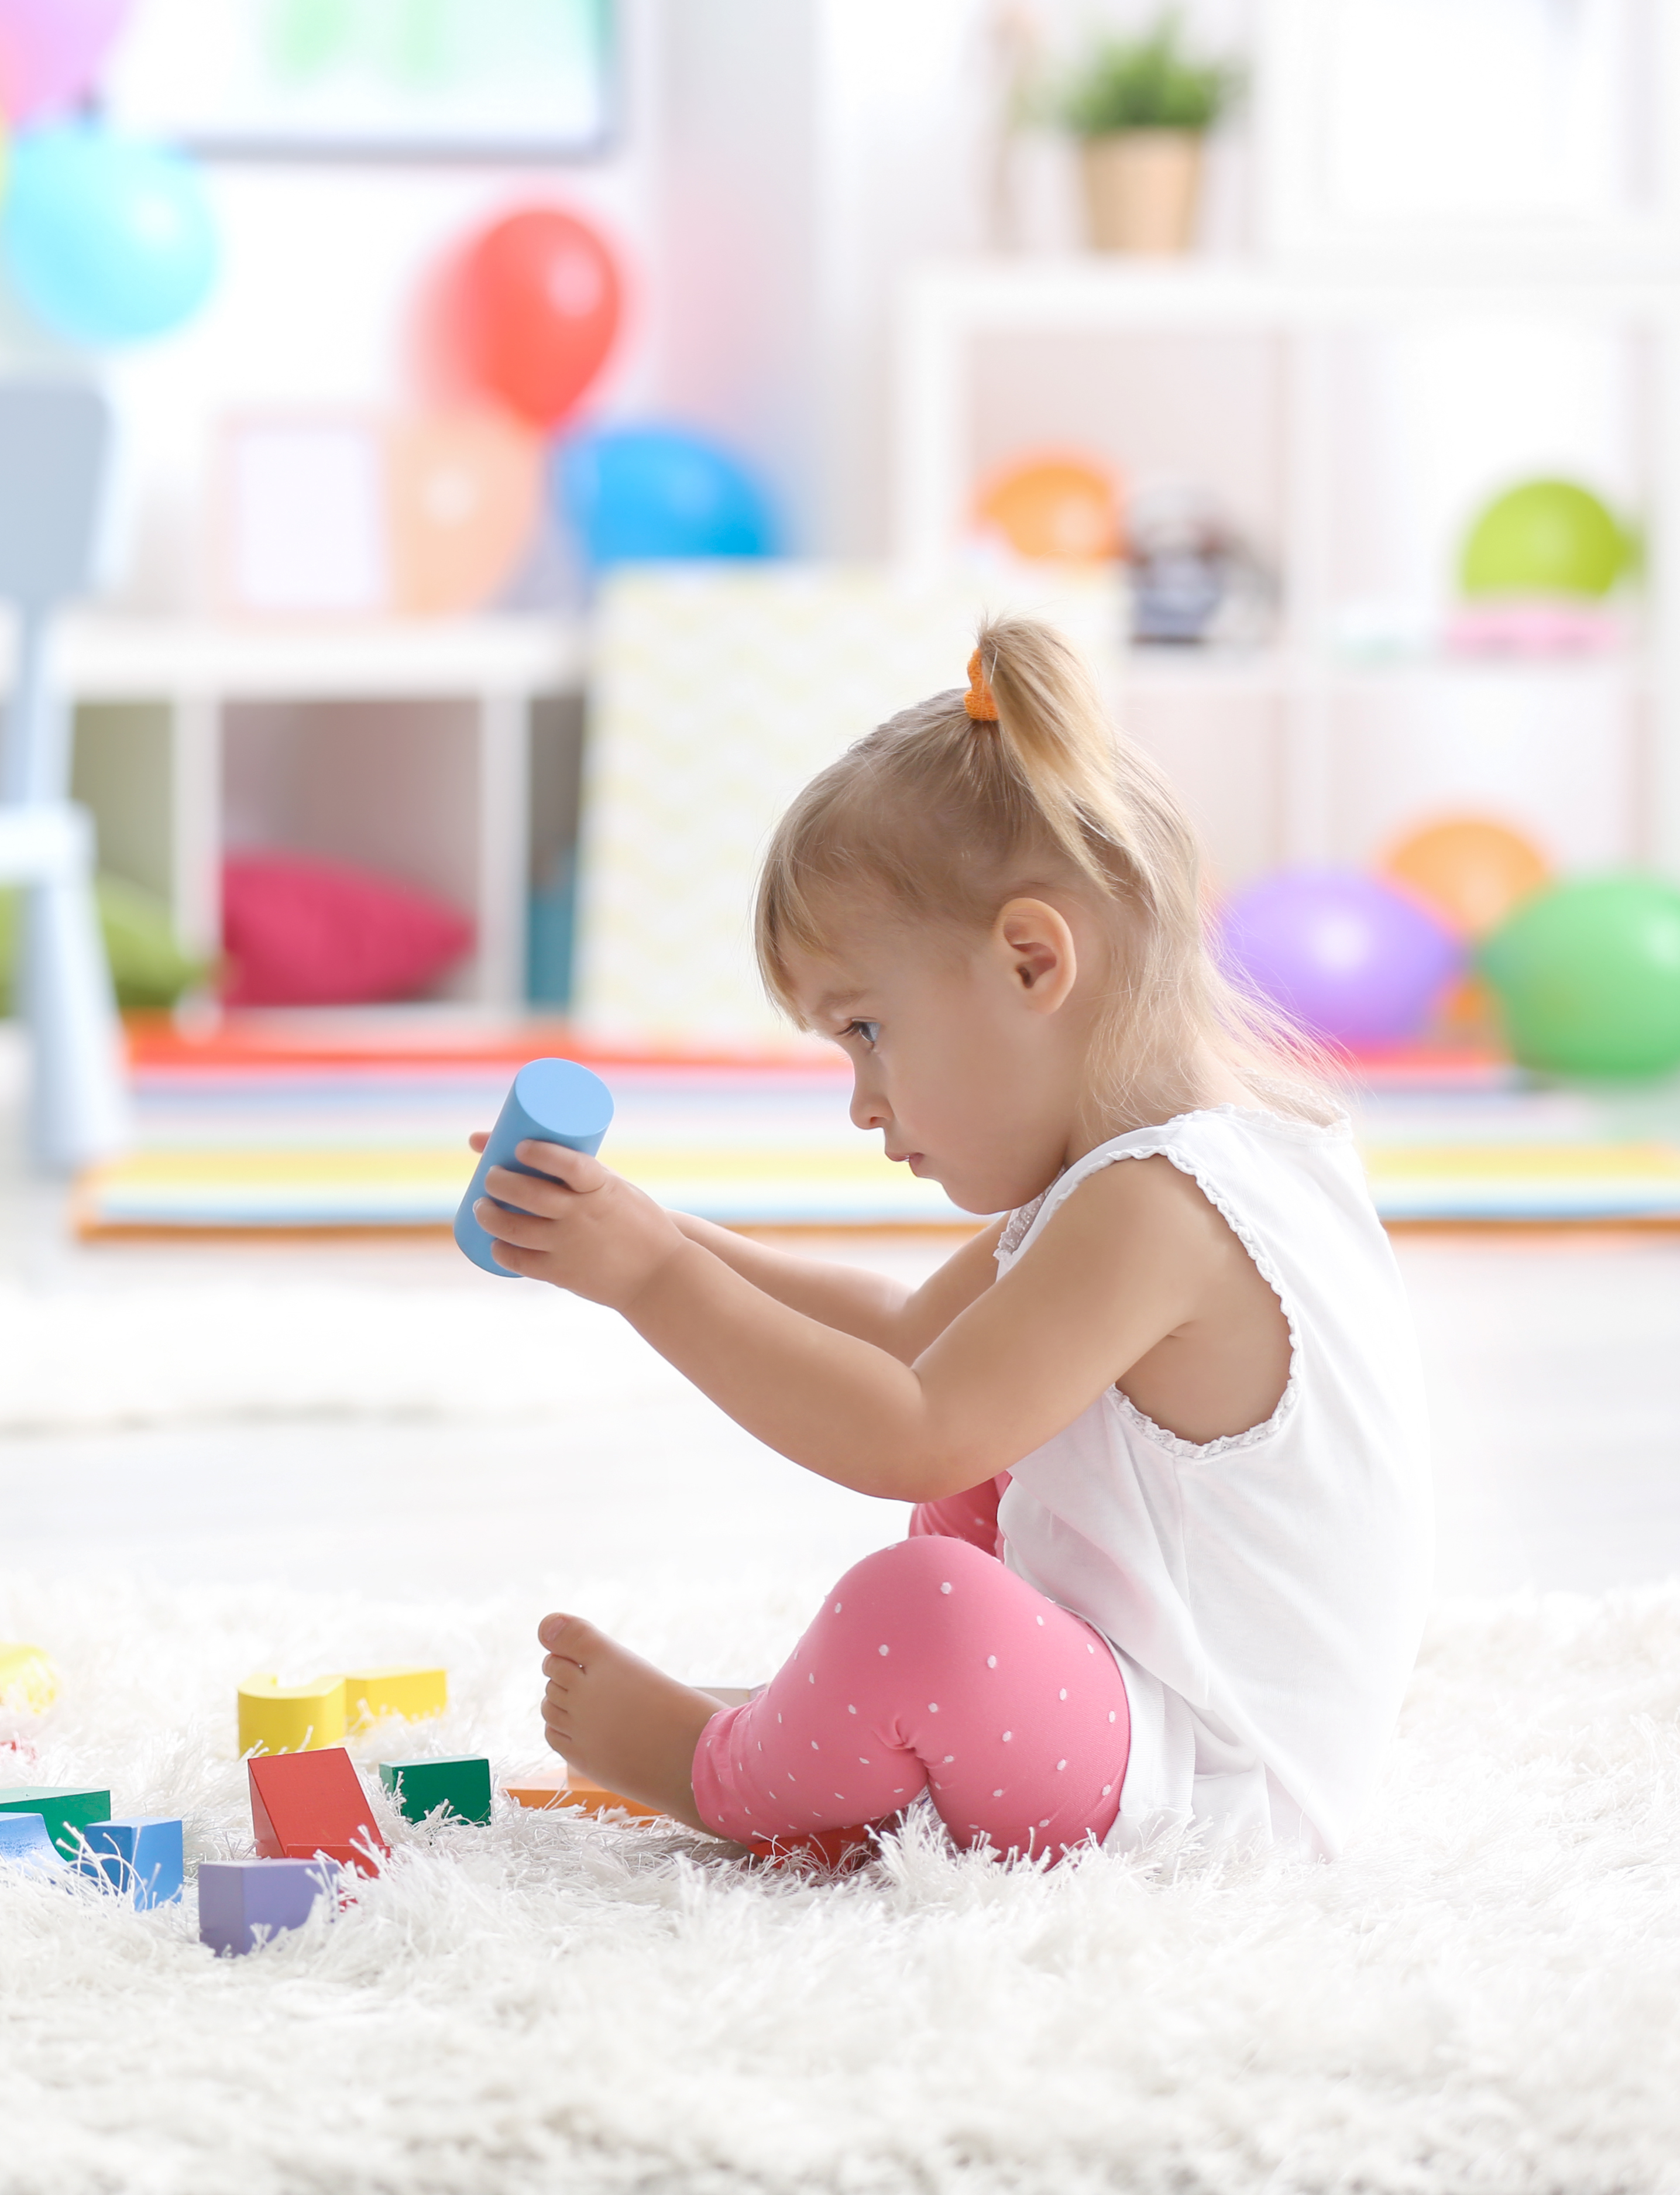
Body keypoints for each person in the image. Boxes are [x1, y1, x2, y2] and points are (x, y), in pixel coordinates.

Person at [473, 617, 1430, 1863]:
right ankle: (822, 1741)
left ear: (1033, 962)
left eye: (865, 1029)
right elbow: (910, 1333)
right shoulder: (1171, 1166)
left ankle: (716, 1773)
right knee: (978, 1506)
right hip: (1139, 1724)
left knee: (920, 1610)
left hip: (1216, 1799)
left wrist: (653, 1281)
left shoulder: (1161, 1206)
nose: (861, 1098)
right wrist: (652, 1234)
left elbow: (910, 1428)